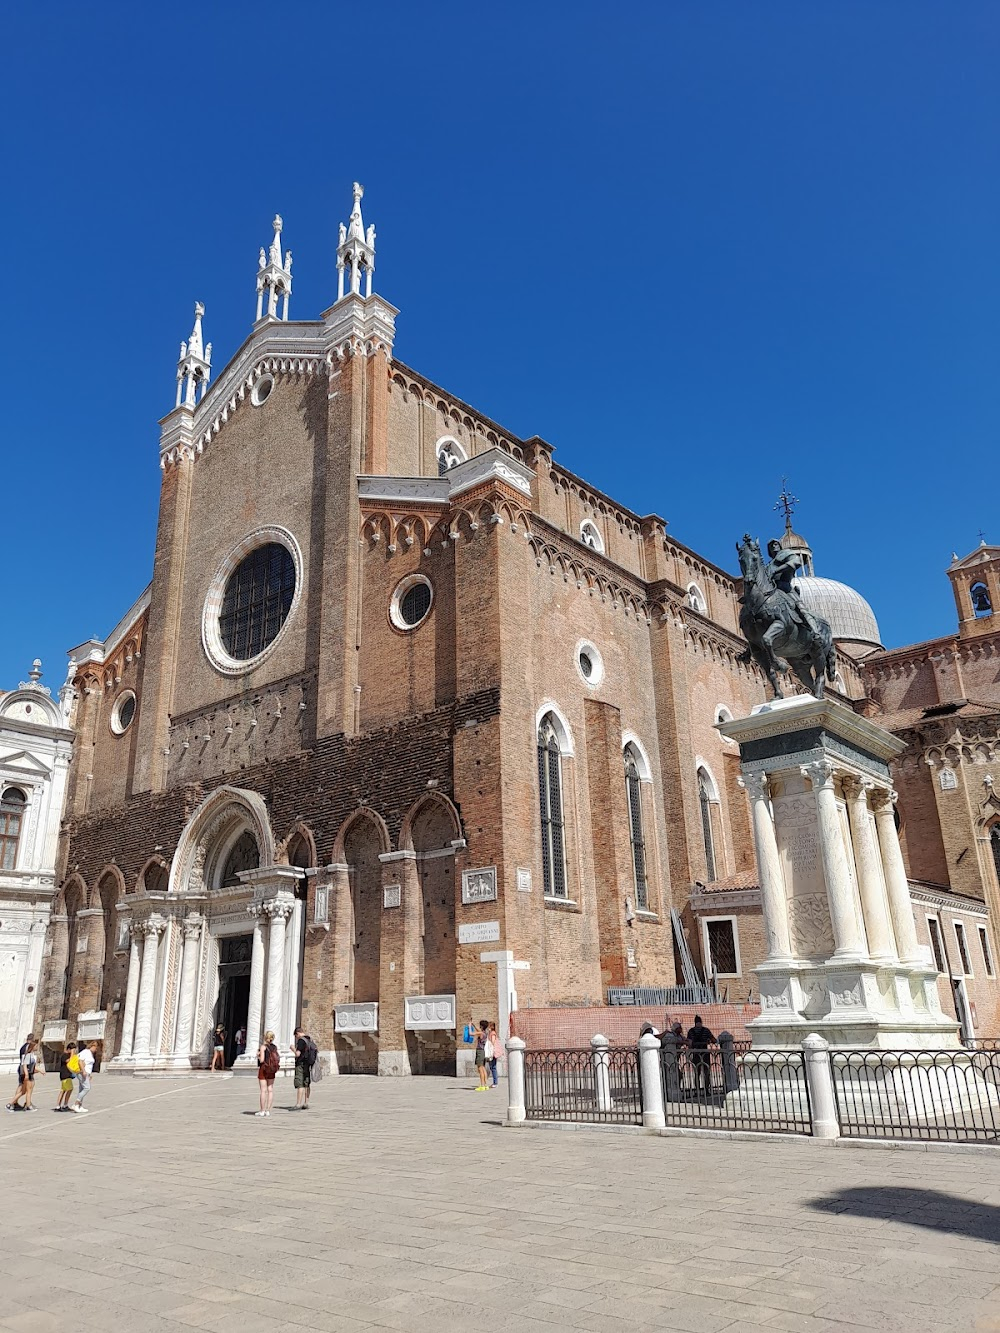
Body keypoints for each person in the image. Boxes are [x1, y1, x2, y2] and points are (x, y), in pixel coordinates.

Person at [686, 1016, 717, 1096]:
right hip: (705, 1053)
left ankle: (696, 1091)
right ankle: (706, 1090)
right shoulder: (706, 1030)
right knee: (706, 1072)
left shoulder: (691, 1031)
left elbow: (689, 1043)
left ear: (695, 1022)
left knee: (697, 1073)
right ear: (701, 1022)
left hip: (696, 1053)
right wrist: (709, 1041)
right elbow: (714, 1040)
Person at [255, 1030, 279, 1116]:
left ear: (265, 1038)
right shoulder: (275, 1047)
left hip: (264, 1069)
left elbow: (261, 1060)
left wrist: (258, 1055)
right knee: (270, 1090)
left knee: (263, 1090)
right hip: (272, 1070)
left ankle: (262, 1110)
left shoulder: (263, 1047)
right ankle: (268, 1110)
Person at [292, 1027, 317, 1109]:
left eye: (296, 1036)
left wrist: (293, 1049)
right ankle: (306, 1103)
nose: (296, 1038)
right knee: (307, 1083)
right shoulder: (309, 1039)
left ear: (298, 1033)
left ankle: (298, 1103)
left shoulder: (301, 1041)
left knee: (300, 1083)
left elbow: (298, 1054)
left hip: (301, 1064)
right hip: (308, 1064)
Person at [73, 1040, 94, 1113]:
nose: (96, 1050)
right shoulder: (86, 1052)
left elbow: (88, 1064)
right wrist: (84, 1071)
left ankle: (80, 1106)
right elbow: (80, 1061)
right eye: (96, 1047)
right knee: (87, 1088)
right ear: (92, 1046)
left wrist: (89, 1074)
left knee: (81, 1089)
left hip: (86, 1073)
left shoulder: (89, 1053)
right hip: (82, 1073)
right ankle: (76, 1104)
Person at [55, 1042, 78, 1112]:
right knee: (66, 1090)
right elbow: (68, 1062)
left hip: (68, 1075)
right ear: (69, 1049)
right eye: (73, 1050)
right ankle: (60, 1105)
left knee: (65, 1090)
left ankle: (63, 1105)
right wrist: (71, 1055)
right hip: (65, 1075)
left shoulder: (69, 1055)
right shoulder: (64, 1055)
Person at [472, 1019, 490, 1091]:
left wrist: (470, 1026)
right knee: (483, 1068)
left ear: (481, 1026)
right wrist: (473, 1024)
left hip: (479, 1051)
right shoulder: (485, 1033)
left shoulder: (481, 1033)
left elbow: (471, 1033)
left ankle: (482, 1085)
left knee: (480, 1069)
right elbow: (478, 1030)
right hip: (483, 1051)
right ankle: (486, 1085)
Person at [487, 1022, 501, 1088]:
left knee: (493, 1067)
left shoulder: (492, 1033)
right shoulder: (491, 1033)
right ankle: (495, 1082)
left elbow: (492, 1042)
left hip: (493, 1052)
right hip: (492, 1052)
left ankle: (495, 1082)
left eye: (489, 1026)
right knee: (492, 1067)